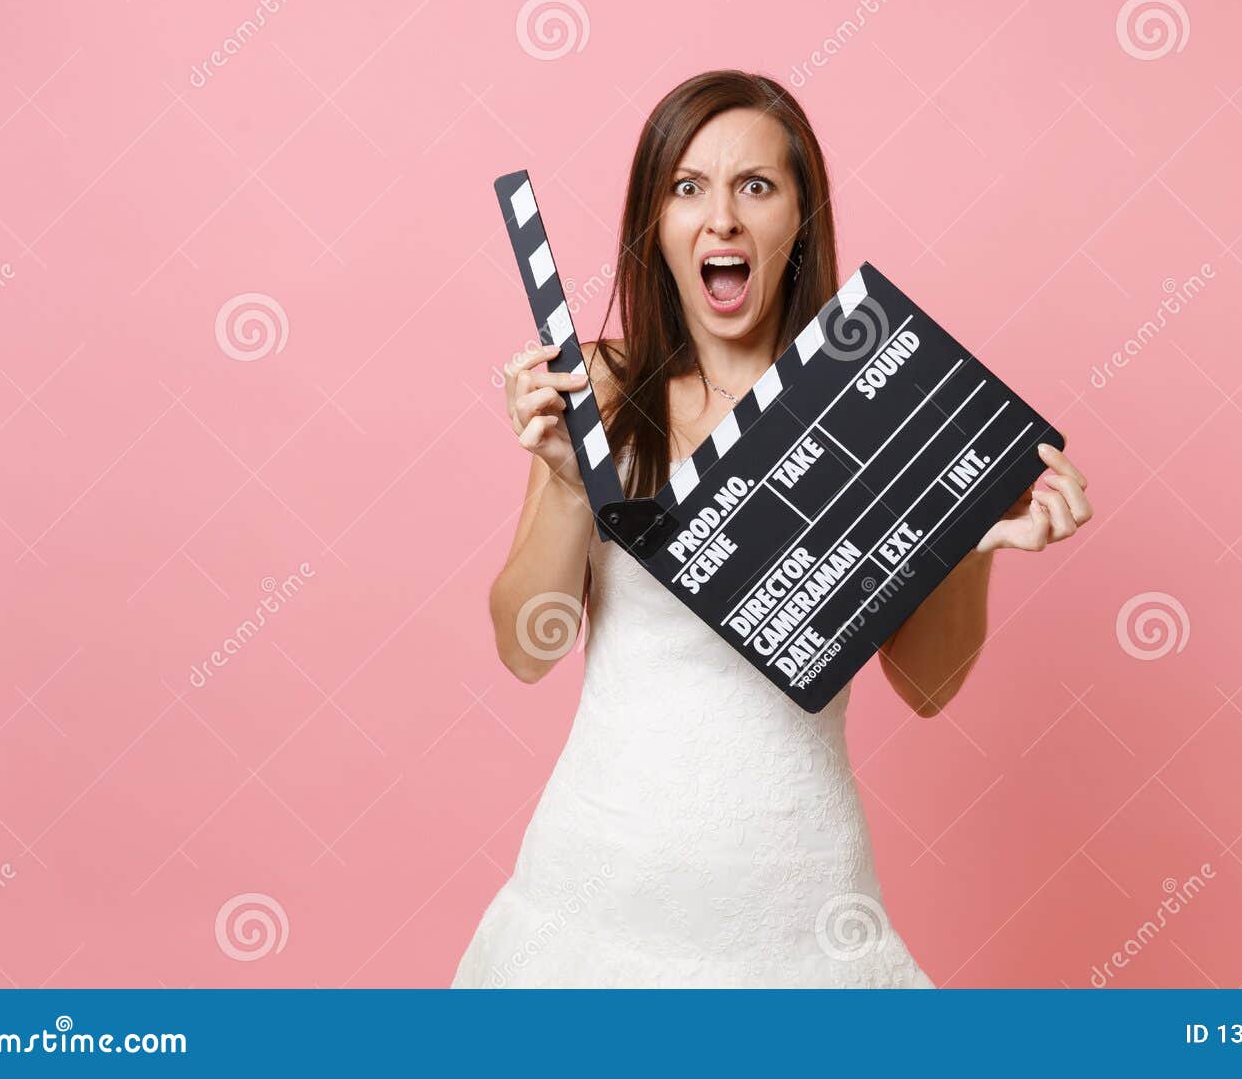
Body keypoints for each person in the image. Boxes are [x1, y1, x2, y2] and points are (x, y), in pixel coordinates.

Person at [453, 70, 1093, 987]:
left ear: (799, 221)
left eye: (756, 186)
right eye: (688, 188)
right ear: (656, 225)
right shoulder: (601, 389)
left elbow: (927, 687)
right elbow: (525, 647)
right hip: (595, 894)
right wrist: (565, 478)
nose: (722, 219)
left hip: (801, 911)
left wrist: (967, 537)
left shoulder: (877, 412)